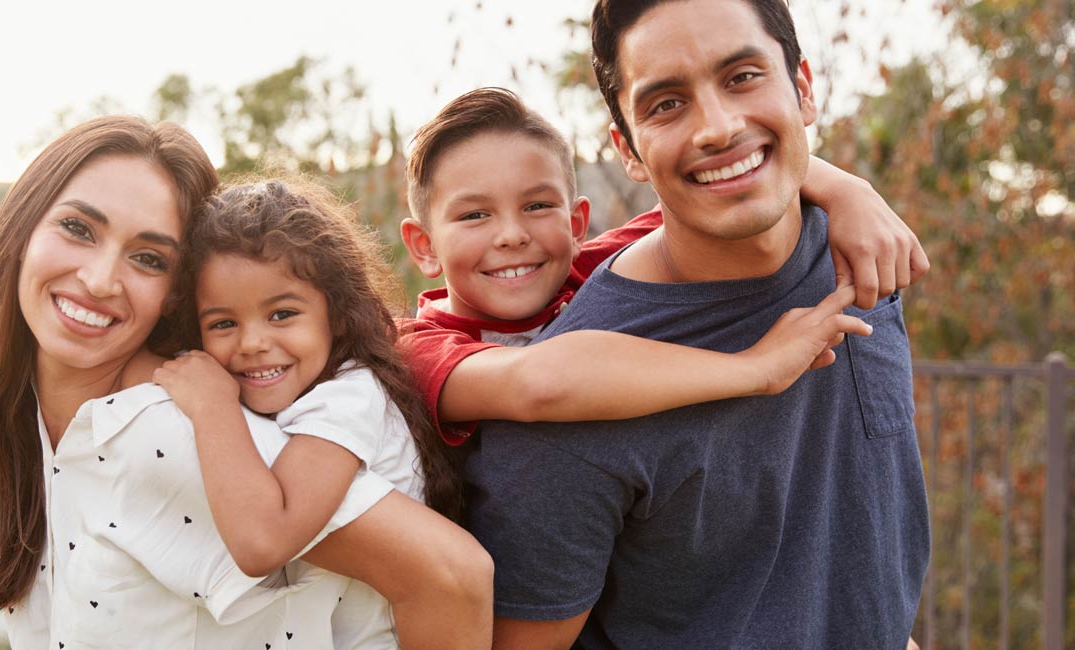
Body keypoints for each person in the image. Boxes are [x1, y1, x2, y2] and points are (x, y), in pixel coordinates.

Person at [464, 1, 930, 648]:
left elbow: (851, 538)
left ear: (803, 89)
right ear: (627, 150)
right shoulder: (571, 404)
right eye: (666, 104)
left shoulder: (865, 255)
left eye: (741, 76)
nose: (716, 127)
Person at [0, 116, 490, 649]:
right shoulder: (29, 417)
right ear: (20, 228)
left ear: (175, 293)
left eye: (148, 258)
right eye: (78, 228)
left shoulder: (177, 430)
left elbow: (450, 577)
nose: (100, 280)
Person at [398, 87, 927, 444]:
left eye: (537, 206)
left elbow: (723, 183)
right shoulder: (415, 349)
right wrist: (756, 368)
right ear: (424, 247)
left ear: (577, 223)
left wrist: (850, 193)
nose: (512, 235)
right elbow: (539, 384)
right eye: (473, 215)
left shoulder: (591, 268)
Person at [153, 176, 479, 647]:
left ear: (337, 313)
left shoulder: (349, 397)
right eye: (223, 323)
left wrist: (211, 408)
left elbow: (264, 541)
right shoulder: (301, 394)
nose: (253, 343)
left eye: (282, 314)